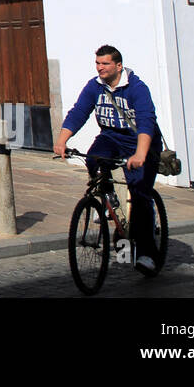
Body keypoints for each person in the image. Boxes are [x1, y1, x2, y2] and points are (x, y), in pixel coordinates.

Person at [54, 44, 163, 275]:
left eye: (105, 64)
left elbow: (146, 121)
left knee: (140, 193)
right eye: (97, 63)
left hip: (140, 142)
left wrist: (141, 154)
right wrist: (62, 140)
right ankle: (105, 201)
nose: (100, 68)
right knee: (93, 159)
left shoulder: (137, 88)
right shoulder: (95, 86)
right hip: (111, 138)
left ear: (118, 65)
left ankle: (145, 253)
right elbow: (79, 112)